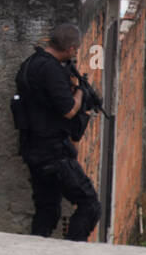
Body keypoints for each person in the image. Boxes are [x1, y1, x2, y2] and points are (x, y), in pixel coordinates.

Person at [14, 23, 101, 241]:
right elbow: (69, 110)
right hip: (52, 152)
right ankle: (70, 254)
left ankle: (35, 253)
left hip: (33, 148)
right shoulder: (51, 69)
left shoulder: (31, 64)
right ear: (71, 49)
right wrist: (80, 91)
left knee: (48, 210)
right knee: (89, 204)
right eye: (76, 50)